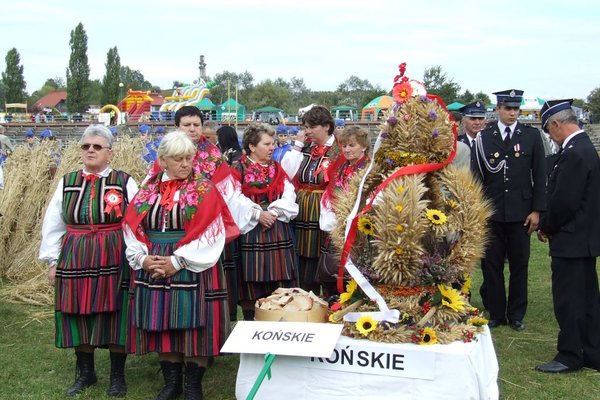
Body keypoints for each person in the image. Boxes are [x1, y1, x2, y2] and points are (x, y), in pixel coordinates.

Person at [123, 131, 258, 400]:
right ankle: (172, 383)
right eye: (178, 159)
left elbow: (213, 231)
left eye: (188, 158)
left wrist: (178, 261)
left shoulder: (204, 189)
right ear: (162, 161)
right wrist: (142, 258)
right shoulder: (147, 191)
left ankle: (193, 385)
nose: (186, 164)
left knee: (195, 326)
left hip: (194, 262)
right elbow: (132, 227)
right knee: (163, 322)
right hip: (155, 261)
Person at [39, 125, 138, 397]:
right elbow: (53, 223)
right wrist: (51, 261)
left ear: (110, 151)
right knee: (76, 311)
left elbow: (135, 222)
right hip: (76, 255)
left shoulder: (124, 181)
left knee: (117, 313)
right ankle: (86, 373)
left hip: (114, 253)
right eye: (86, 146)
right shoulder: (68, 181)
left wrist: (137, 257)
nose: (91, 150)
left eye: (97, 146)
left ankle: (117, 376)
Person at [471, 89, 546, 331]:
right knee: (491, 265)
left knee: (519, 265)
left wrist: (537, 210)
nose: (513, 113)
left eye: (516, 109)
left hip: (521, 213)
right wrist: (477, 211)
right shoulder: (485, 137)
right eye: (508, 109)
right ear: (499, 109)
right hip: (492, 212)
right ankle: (495, 312)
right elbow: (476, 178)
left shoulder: (531, 137)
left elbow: (540, 175)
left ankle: (516, 314)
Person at [536, 100, 600, 373]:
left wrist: (546, 226)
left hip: (571, 241)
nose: (550, 136)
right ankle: (591, 351)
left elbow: (563, 202)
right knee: (587, 300)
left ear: (557, 124)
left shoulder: (574, 153)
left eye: (549, 131)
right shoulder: (584, 148)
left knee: (569, 300)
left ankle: (570, 354)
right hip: (583, 240)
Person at [231, 123, 299, 320]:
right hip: (252, 229)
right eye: (267, 144)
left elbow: (289, 193)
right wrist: (257, 214)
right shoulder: (238, 168)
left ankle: (280, 321)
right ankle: (253, 322)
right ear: (252, 146)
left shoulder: (277, 168)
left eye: (274, 144)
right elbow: (232, 198)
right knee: (253, 282)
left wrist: (273, 211)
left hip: (277, 228)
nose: (272, 148)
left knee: (281, 278)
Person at [281, 105, 340, 294]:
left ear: (326, 127)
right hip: (303, 208)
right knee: (304, 255)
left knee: (323, 254)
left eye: (311, 127)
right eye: (306, 127)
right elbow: (287, 172)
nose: (307, 131)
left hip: (325, 209)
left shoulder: (339, 149)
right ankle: (307, 295)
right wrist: (297, 146)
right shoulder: (305, 148)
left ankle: (329, 296)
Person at [319, 125, 370, 296]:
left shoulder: (369, 170)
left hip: (359, 227)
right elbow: (330, 192)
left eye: (352, 145)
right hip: (337, 224)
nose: (347, 149)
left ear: (364, 146)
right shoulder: (341, 168)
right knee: (334, 269)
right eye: (344, 145)